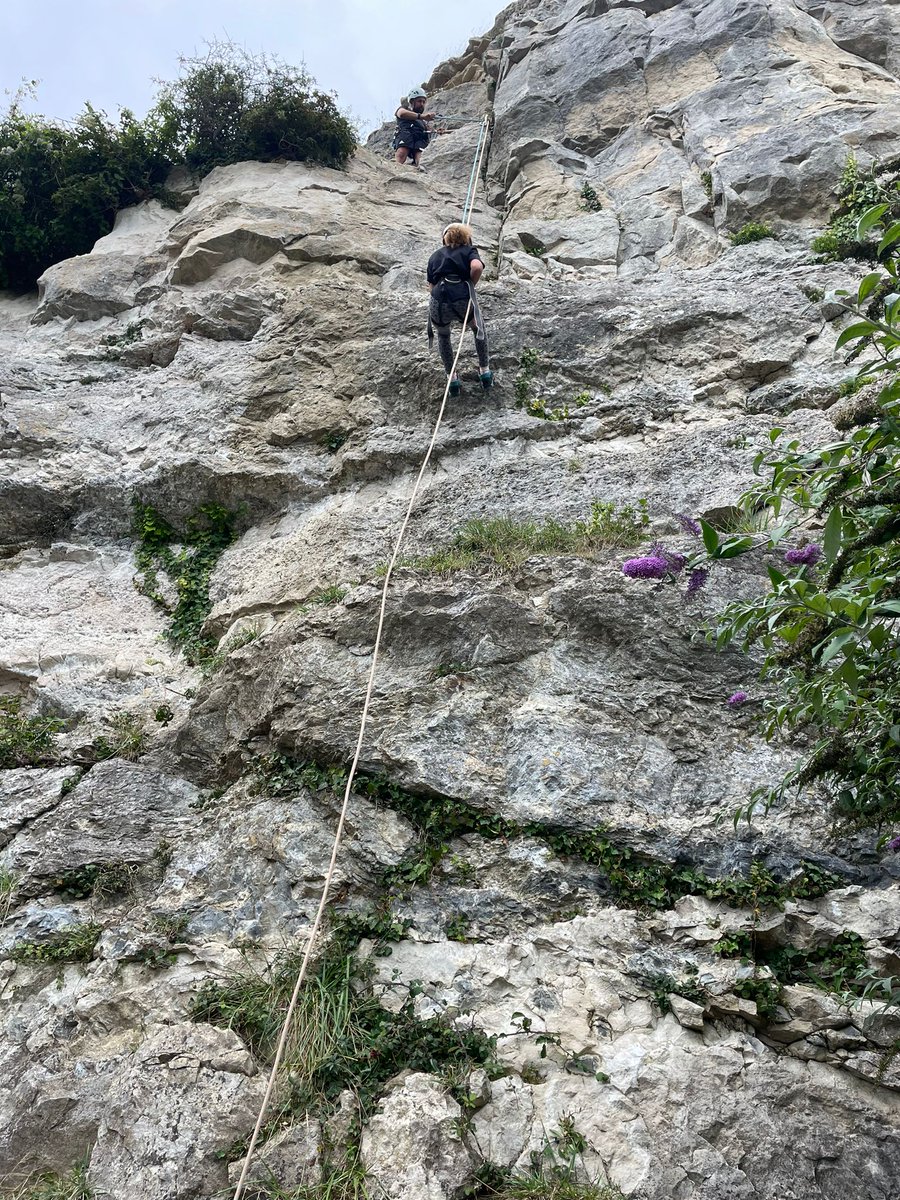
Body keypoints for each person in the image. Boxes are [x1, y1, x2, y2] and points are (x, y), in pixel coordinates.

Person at [427, 223, 492, 397]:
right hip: (462, 299)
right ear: (467, 238)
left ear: (444, 239)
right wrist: (471, 284)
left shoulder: (435, 256)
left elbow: (431, 285)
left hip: (439, 303)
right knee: (478, 328)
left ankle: (452, 378)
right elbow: (477, 267)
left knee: (443, 335)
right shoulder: (470, 251)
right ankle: (485, 371)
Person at [394, 88, 434, 169]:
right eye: (419, 101)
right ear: (412, 101)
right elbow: (401, 114)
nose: (422, 104)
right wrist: (422, 116)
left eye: (423, 102)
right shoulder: (403, 109)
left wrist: (436, 131)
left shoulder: (422, 121)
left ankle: (420, 167)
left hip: (419, 138)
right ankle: (396, 167)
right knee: (402, 151)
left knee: (420, 155)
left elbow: (429, 130)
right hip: (406, 135)